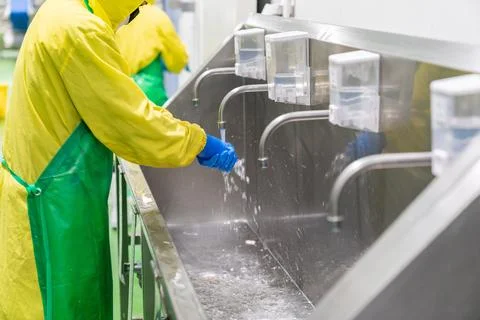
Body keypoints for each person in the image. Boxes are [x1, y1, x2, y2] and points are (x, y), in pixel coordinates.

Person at [0, 0, 237, 319]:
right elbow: (129, 121)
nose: (133, 16)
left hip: (48, 187)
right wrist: (197, 142)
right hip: (53, 203)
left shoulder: (62, 9)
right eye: (137, 6)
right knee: (61, 307)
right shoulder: (80, 29)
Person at [116, 0, 187, 106]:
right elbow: (178, 61)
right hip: (150, 95)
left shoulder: (117, 17)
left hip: (118, 91)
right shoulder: (156, 16)